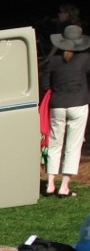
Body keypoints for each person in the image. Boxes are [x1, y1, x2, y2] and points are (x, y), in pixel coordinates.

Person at [39, 24, 90, 197]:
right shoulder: (85, 59)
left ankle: (50, 183)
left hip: (57, 105)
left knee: (54, 144)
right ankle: (65, 186)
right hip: (78, 104)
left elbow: (45, 85)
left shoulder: (53, 61)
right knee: (73, 146)